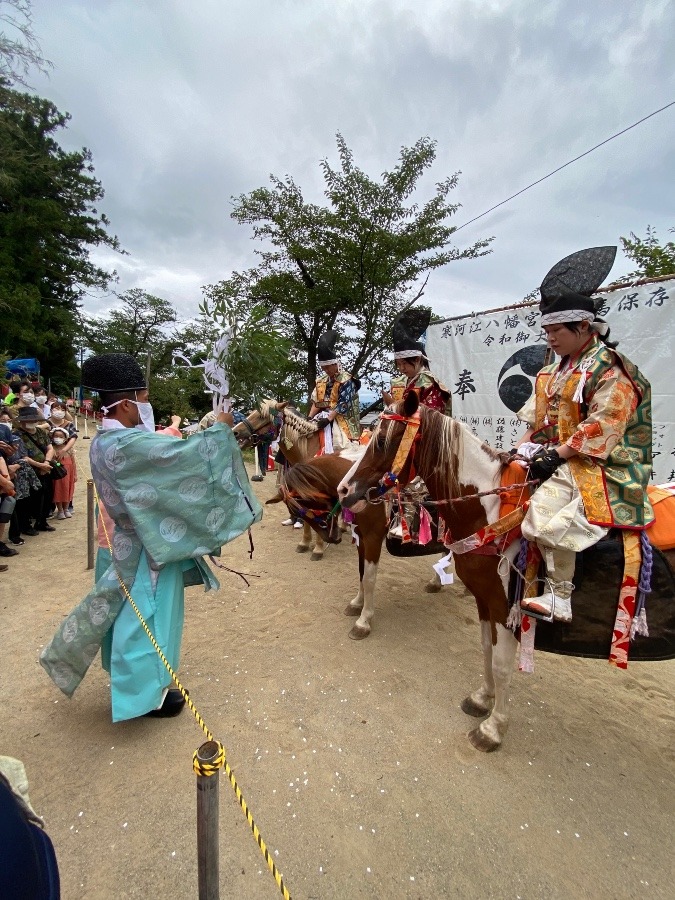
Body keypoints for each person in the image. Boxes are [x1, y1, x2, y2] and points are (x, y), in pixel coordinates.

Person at [40, 352, 263, 722]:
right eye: (143, 398)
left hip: (128, 541)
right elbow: (185, 456)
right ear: (127, 403)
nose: (146, 405)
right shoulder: (127, 445)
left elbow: (166, 457)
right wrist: (222, 430)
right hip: (147, 546)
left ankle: (153, 685)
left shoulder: (104, 441)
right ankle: (146, 697)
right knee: (146, 620)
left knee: (133, 615)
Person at [517, 246, 654, 623]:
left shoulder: (610, 368)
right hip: (564, 456)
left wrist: (556, 454)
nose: (549, 339)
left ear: (583, 327)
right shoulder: (558, 369)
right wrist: (519, 449)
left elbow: (605, 423)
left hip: (606, 464)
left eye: (556, 330)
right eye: (546, 331)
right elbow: (539, 418)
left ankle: (561, 598)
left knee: (543, 519)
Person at [382, 309, 452, 414]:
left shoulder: (429, 384)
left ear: (418, 359)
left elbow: (433, 417)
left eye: (405, 363)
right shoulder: (398, 382)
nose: (401, 368)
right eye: (399, 364)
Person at [308, 329, 361, 451]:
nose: (326, 370)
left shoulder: (347, 380)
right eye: (323, 368)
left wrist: (328, 419)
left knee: (340, 444)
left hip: (342, 420)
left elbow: (343, 404)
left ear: (335, 364)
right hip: (322, 418)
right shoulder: (321, 381)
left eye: (327, 367)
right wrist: (309, 418)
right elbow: (317, 402)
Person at [14, 406, 55, 533]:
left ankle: (42, 521)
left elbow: (50, 448)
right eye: (28, 420)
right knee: (28, 499)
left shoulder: (41, 432)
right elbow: (23, 456)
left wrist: (46, 462)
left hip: (45, 468)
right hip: (27, 472)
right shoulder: (16, 435)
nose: (31, 422)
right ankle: (25, 525)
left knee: (47, 495)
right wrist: (40, 465)